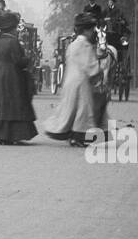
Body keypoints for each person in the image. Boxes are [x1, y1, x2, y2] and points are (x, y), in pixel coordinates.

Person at [43, 14, 106, 145]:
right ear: (86, 30)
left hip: (70, 81)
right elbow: (89, 65)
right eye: (91, 30)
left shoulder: (72, 45)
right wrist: (98, 72)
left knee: (71, 108)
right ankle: (80, 136)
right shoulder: (85, 45)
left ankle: (71, 133)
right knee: (83, 109)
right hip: (81, 82)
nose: (92, 33)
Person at [0, 11, 37, 145]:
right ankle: (14, 134)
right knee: (14, 104)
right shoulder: (13, 42)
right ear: (12, 28)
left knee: (0, 105)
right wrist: (28, 60)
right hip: (12, 76)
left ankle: (1, 134)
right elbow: (19, 61)